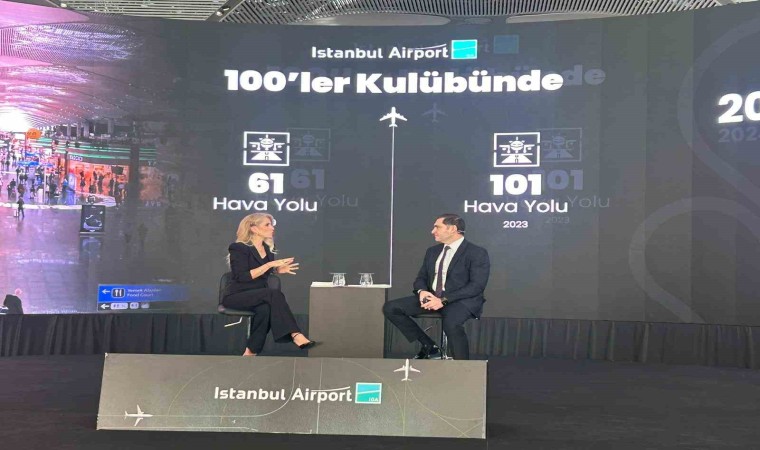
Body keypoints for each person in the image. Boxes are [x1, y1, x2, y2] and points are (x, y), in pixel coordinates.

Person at [383, 214, 490, 360]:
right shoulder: (432, 251)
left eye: (437, 227)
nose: (433, 231)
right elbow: (421, 278)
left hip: (460, 300)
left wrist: (443, 300)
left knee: (451, 323)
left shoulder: (477, 253)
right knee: (391, 308)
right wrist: (422, 292)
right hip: (433, 297)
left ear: (452, 229)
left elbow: (476, 286)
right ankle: (430, 347)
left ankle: (463, 366)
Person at [221, 213, 317, 356]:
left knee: (265, 310)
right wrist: (270, 265)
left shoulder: (267, 249)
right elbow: (242, 277)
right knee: (273, 294)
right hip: (237, 296)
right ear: (254, 228)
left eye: (272, 224)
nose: (272, 228)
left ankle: (250, 353)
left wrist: (276, 270)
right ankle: (295, 334)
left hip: (259, 296)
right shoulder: (238, 248)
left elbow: (262, 273)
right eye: (267, 224)